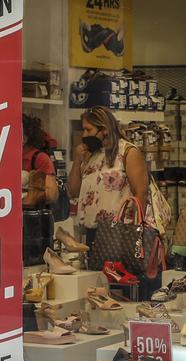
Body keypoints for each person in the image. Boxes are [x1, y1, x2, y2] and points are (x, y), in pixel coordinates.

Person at [66, 106, 159, 293]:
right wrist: (78, 160)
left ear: (104, 129)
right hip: (93, 233)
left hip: (122, 232)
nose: (84, 134)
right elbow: (73, 191)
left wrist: (135, 230)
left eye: (88, 130)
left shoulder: (128, 152)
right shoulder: (91, 156)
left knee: (122, 285)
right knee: (97, 286)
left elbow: (140, 192)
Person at [21, 114, 59, 209]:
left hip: (32, 218)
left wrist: (33, 195)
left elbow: (52, 194)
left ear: (24, 138)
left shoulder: (39, 158)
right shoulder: (5, 157)